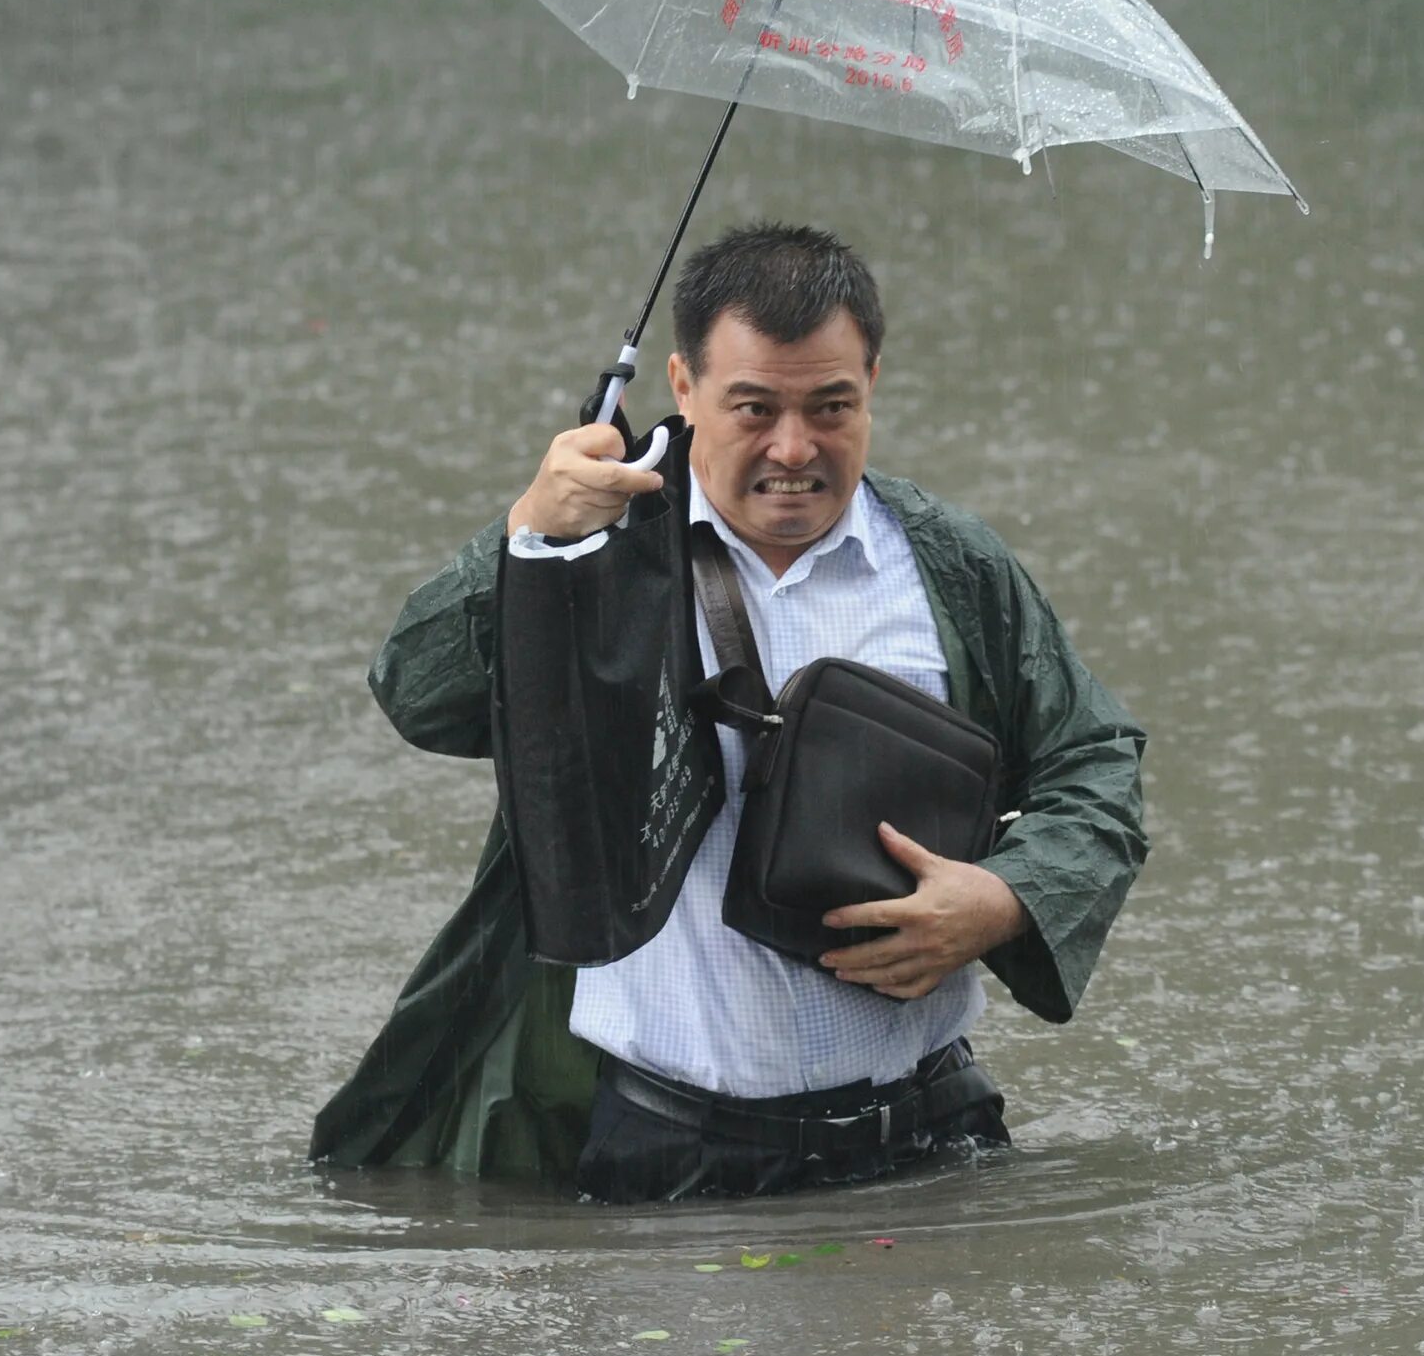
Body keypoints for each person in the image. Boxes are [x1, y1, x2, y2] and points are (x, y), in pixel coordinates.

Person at [313, 222, 1148, 1201]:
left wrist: (1002, 902)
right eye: (753, 408)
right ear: (682, 386)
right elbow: (416, 691)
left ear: (873, 381)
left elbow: (1096, 762)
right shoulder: (596, 560)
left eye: (831, 406)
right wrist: (525, 540)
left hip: (934, 1140)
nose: (794, 448)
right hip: (676, 1155)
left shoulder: (952, 567)